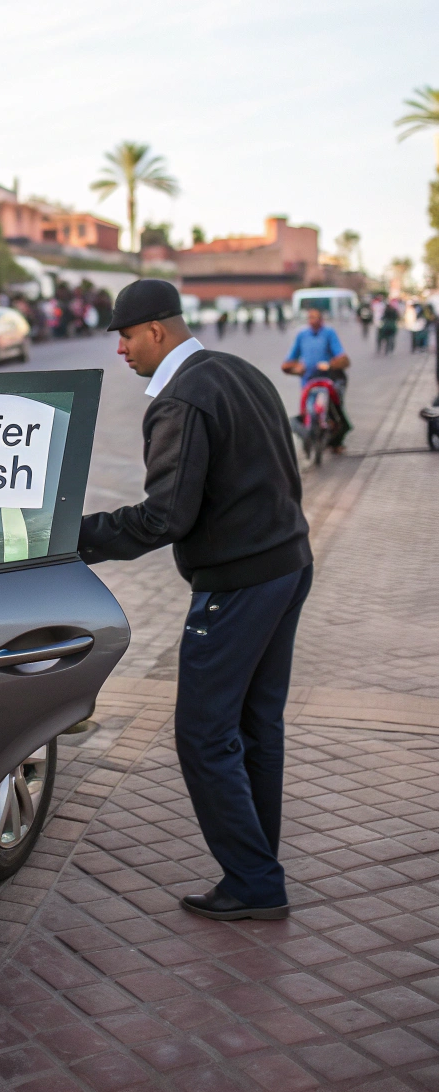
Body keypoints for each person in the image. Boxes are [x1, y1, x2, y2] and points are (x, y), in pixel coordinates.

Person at [78, 279, 313, 922]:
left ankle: (254, 881)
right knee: (256, 726)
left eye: (125, 336)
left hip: (239, 583)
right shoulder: (240, 371)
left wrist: (68, 538)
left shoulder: (180, 399)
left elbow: (163, 518)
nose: (121, 349)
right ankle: (259, 868)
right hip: (289, 563)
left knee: (204, 735)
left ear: (157, 330)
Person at [282, 308, 351, 451]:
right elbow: (290, 359)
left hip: (327, 379)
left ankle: (336, 441)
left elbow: (341, 356)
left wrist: (330, 364)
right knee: (309, 409)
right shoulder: (302, 335)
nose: (312, 320)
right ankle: (309, 437)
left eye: (315, 318)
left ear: (321, 320)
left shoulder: (329, 333)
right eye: (310, 318)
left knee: (332, 408)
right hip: (308, 380)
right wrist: (296, 368)